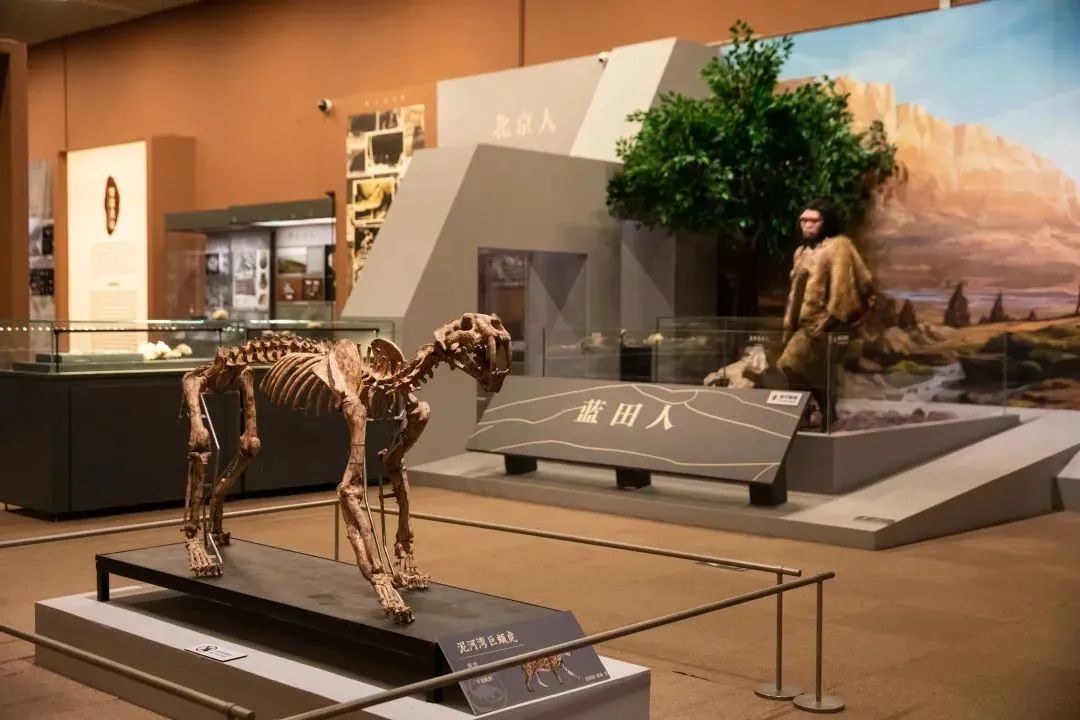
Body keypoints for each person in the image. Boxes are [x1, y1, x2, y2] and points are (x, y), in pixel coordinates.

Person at [778, 198, 874, 428]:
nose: (807, 225)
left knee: (789, 365)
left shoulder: (838, 246)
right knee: (810, 373)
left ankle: (818, 413)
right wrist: (789, 323)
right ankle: (821, 414)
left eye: (814, 221)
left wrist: (833, 317)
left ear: (826, 222)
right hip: (803, 324)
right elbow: (796, 292)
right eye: (804, 220)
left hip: (826, 324)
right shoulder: (801, 252)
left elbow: (843, 285)